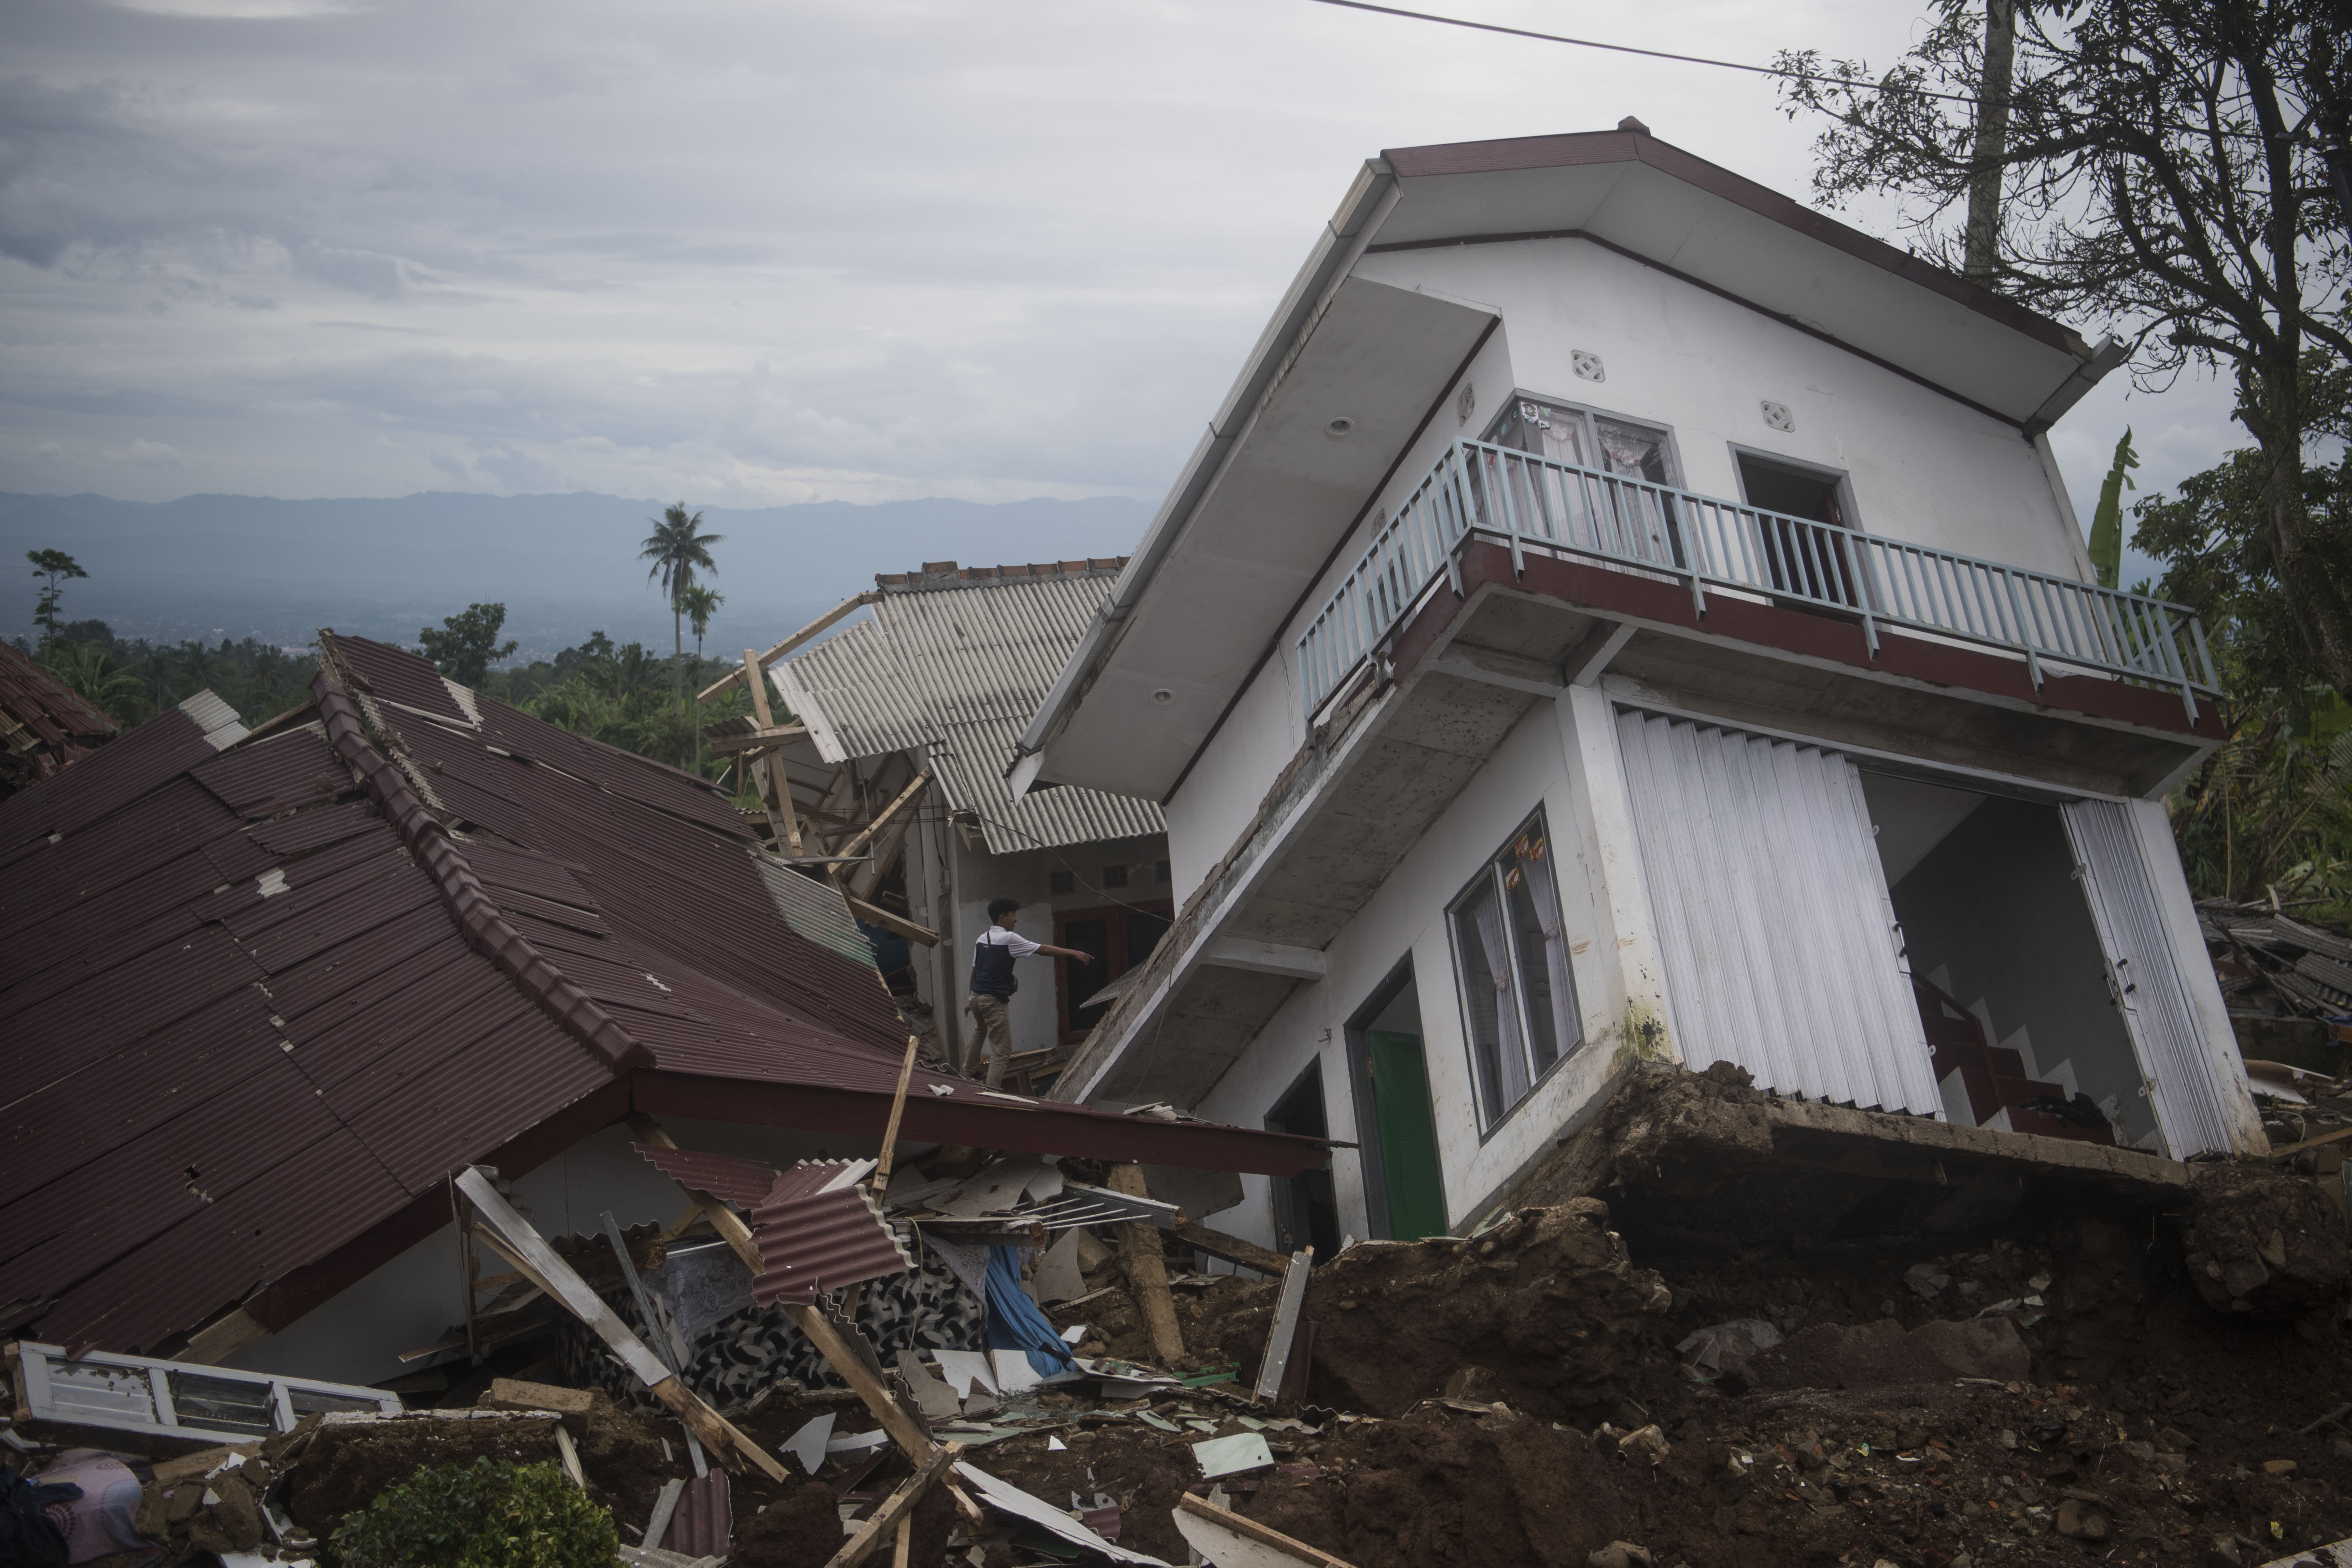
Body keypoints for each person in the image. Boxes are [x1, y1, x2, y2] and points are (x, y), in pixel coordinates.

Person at [967, 897, 1094, 1087]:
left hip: (977, 997)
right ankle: (991, 1093)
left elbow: (975, 972)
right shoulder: (1009, 938)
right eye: (1013, 915)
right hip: (993, 1001)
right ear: (1003, 918)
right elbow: (1041, 949)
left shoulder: (982, 938)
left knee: (979, 1030)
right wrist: (1073, 953)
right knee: (1001, 1052)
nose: (1016, 919)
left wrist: (970, 1000)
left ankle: (968, 1071)